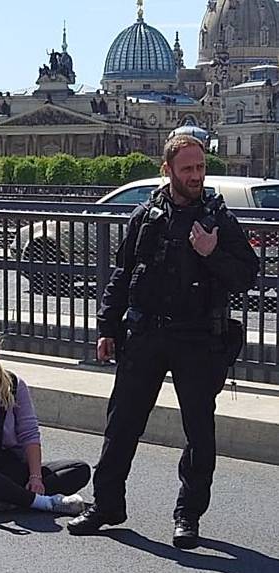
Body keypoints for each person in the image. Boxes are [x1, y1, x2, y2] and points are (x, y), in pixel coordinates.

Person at [67, 133, 259, 549]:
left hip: (196, 339)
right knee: (121, 425)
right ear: (168, 169)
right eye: (187, 168)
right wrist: (106, 328)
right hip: (146, 334)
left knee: (199, 433)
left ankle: (187, 516)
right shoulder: (146, 214)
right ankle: (107, 506)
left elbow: (247, 274)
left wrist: (211, 253)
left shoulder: (217, 218)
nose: (195, 176)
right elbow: (122, 273)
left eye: (200, 167)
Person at [0, 319, 91, 516]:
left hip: (12, 468)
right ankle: (42, 503)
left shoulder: (13, 383)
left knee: (79, 469)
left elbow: (29, 433)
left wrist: (35, 477)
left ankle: (7, 498)